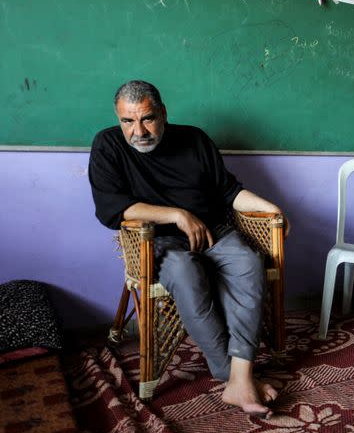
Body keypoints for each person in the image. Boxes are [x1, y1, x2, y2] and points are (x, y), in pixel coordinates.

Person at [89, 80, 283, 415]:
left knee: (249, 261)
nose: (138, 131)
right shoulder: (107, 145)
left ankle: (241, 377)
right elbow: (114, 209)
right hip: (159, 240)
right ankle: (232, 377)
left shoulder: (195, 139)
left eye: (147, 119)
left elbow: (229, 192)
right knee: (186, 273)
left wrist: (270, 208)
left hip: (214, 231)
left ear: (163, 113)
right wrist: (178, 215)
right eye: (128, 121)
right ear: (118, 119)